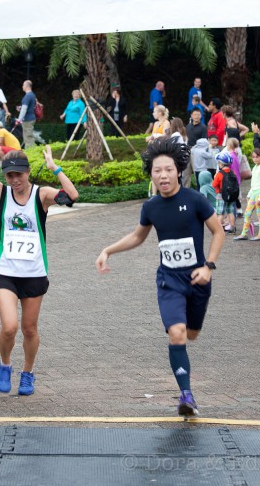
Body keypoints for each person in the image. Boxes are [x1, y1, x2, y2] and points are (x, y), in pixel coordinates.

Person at [96, 137, 224, 416]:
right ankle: (186, 395)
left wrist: (209, 266)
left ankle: (185, 378)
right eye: (157, 171)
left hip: (198, 279)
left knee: (191, 334)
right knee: (177, 334)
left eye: (168, 170)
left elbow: (218, 231)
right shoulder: (151, 206)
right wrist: (108, 250)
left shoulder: (195, 200)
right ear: (151, 174)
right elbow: (137, 237)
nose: (163, 175)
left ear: (178, 171)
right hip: (169, 281)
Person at [0, 112, 79, 395]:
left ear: (27, 172)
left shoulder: (41, 195)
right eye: (10, 175)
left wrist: (55, 167)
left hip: (34, 273)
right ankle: (5, 364)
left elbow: (72, 196)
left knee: (29, 329)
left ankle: (28, 373)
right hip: (5, 272)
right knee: (9, 327)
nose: (14, 180)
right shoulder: (0, 193)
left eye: (18, 174)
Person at [234, 149, 260, 241]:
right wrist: (249, 194)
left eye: (257, 157)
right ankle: (244, 233)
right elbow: (253, 183)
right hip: (253, 193)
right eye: (253, 157)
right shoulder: (255, 168)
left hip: (259, 194)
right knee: (247, 213)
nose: (255, 159)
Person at [212, 151, 237, 234]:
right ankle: (232, 227)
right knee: (230, 212)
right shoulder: (232, 172)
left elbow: (214, 184)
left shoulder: (220, 174)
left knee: (220, 214)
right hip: (231, 195)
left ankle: (217, 230)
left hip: (221, 195)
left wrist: (215, 177)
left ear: (221, 163)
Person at [16, 80, 36, 149]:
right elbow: (30, 107)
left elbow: (24, 109)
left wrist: (19, 119)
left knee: (28, 138)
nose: (22, 86)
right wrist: (20, 108)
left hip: (27, 120)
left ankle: (30, 153)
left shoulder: (27, 96)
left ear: (27, 86)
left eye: (23, 85)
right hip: (31, 118)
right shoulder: (32, 95)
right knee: (28, 137)